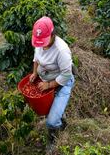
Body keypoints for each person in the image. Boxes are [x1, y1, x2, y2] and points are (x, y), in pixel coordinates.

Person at [29, 16, 74, 151]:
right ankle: (61, 118)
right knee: (50, 111)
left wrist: (48, 85)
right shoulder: (39, 44)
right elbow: (36, 58)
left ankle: (53, 141)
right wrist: (35, 73)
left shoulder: (61, 50)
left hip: (62, 82)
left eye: (44, 42)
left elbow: (66, 75)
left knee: (51, 120)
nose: (41, 45)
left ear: (52, 35)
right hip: (46, 78)